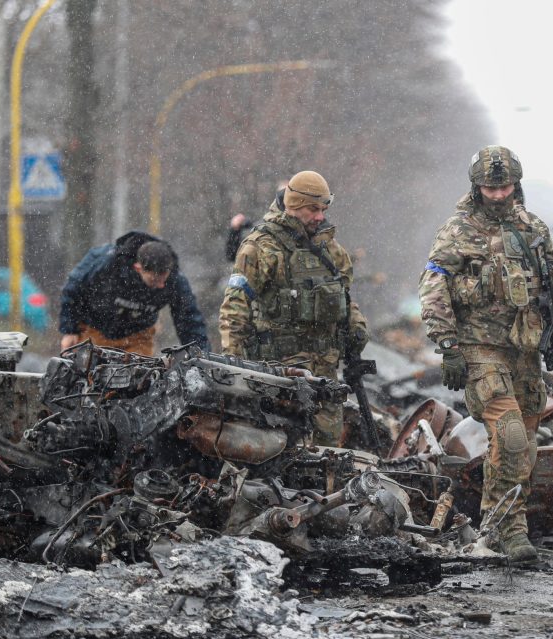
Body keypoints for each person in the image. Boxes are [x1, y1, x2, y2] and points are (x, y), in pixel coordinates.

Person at [418, 145, 553, 565]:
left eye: (505, 186)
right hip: (480, 348)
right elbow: (433, 287)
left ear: (516, 184)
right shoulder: (457, 231)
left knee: (522, 445)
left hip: (524, 352)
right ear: (477, 187)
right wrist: (448, 345)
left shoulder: (532, 227)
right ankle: (513, 529)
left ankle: (495, 518)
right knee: (506, 431)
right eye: (490, 187)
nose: (498, 195)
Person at [218, 170, 368, 446]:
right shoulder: (260, 248)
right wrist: (233, 367)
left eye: (323, 208)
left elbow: (343, 296)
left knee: (327, 455)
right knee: (278, 452)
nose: (320, 216)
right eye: (313, 209)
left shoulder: (330, 250)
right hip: (277, 376)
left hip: (324, 375)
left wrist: (356, 327)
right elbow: (234, 309)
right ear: (293, 205)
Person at [59, 231, 210, 355]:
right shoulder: (106, 264)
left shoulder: (175, 280)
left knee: (138, 383)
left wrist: (199, 354)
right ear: (138, 268)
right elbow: (73, 289)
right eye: (154, 280)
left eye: (164, 279)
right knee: (93, 381)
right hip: (95, 329)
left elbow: (189, 318)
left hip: (138, 335)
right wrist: (69, 330)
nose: (161, 284)